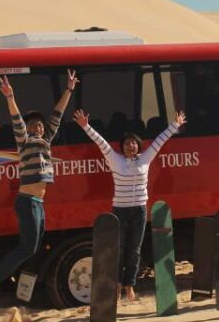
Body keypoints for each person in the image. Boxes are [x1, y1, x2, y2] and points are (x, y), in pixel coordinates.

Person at [74, 107, 185, 300]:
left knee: (135, 249)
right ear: (122, 147)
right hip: (120, 210)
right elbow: (100, 142)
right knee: (120, 248)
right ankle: (117, 284)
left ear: (138, 146)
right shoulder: (115, 160)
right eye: (127, 143)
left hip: (139, 211)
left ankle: (129, 285)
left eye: (133, 143)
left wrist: (175, 125)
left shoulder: (145, 159)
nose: (130, 146)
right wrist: (86, 126)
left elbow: (160, 141)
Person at [0, 70, 77, 299]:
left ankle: (20, 281)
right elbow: (16, 119)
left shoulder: (46, 140)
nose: (39, 127)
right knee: (28, 247)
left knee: (35, 246)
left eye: (40, 125)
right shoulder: (24, 141)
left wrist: (69, 89)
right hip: (27, 202)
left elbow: (57, 114)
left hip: (38, 202)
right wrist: (9, 97)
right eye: (34, 124)